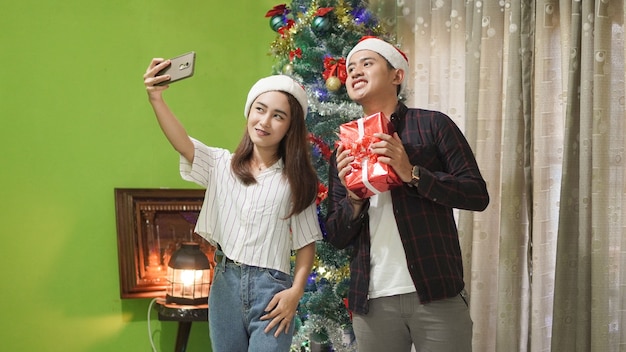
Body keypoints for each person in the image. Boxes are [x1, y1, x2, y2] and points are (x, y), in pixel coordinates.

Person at [143, 60, 323, 352]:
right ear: (249, 113)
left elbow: (306, 242)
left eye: (278, 116)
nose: (265, 122)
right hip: (225, 285)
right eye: (260, 109)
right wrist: (156, 97)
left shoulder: (297, 181)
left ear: (290, 127)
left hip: (272, 289)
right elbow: (181, 142)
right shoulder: (220, 164)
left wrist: (295, 293)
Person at [325, 37, 490, 352]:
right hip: (371, 302)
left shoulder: (432, 125)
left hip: (435, 291)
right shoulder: (344, 149)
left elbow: (476, 194)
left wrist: (412, 173)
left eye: (367, 63)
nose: (354, 71)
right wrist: (354, 200)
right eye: (350, 68)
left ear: (396, 76)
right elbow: (336, 234)